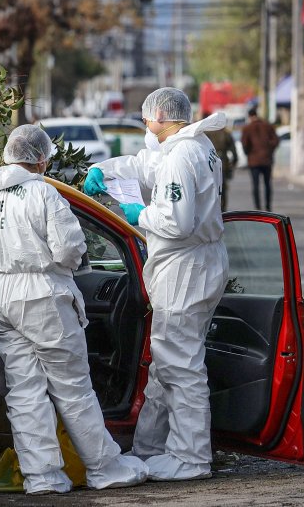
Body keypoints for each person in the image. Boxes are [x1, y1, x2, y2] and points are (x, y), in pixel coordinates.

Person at [0, 125, 148, 494]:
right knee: (72, 386)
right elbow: (70, 248)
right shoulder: (43, 193)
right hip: (41, 290)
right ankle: (104, 467)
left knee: (24, 388)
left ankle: (42, 476)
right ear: (41, 158)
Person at [83, 88, 229, 481]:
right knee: (168, 363)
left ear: (161, 115)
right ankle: (156, 447)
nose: (146, 125)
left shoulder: (183, 155)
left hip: (186, 268)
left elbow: (176, 223)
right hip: (195, 264)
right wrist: (106, 169)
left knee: (181, 365)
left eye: (148, 118)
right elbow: (146, 165)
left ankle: (191, 456)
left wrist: (139, 213)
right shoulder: (190, 148)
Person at [240, 107, 279, 211]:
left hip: (253, 161)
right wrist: (269, 150)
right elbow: (276, 140)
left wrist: (249, 153)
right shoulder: (267, 126)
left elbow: (244, 144)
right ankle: (268, 206)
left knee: (255, 184)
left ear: (249, 116)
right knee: (267, 184)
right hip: (267, 160)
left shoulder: (247, 128)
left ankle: (257, 207)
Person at [204, 117, 239, 211]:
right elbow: (234, 152)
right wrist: (233, 163)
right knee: (222, 188)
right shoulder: (226, 134)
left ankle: (211, 209)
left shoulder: (207, 134)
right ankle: (223, 210)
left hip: (209, 162)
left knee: (209, 187)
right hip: (223, 162)